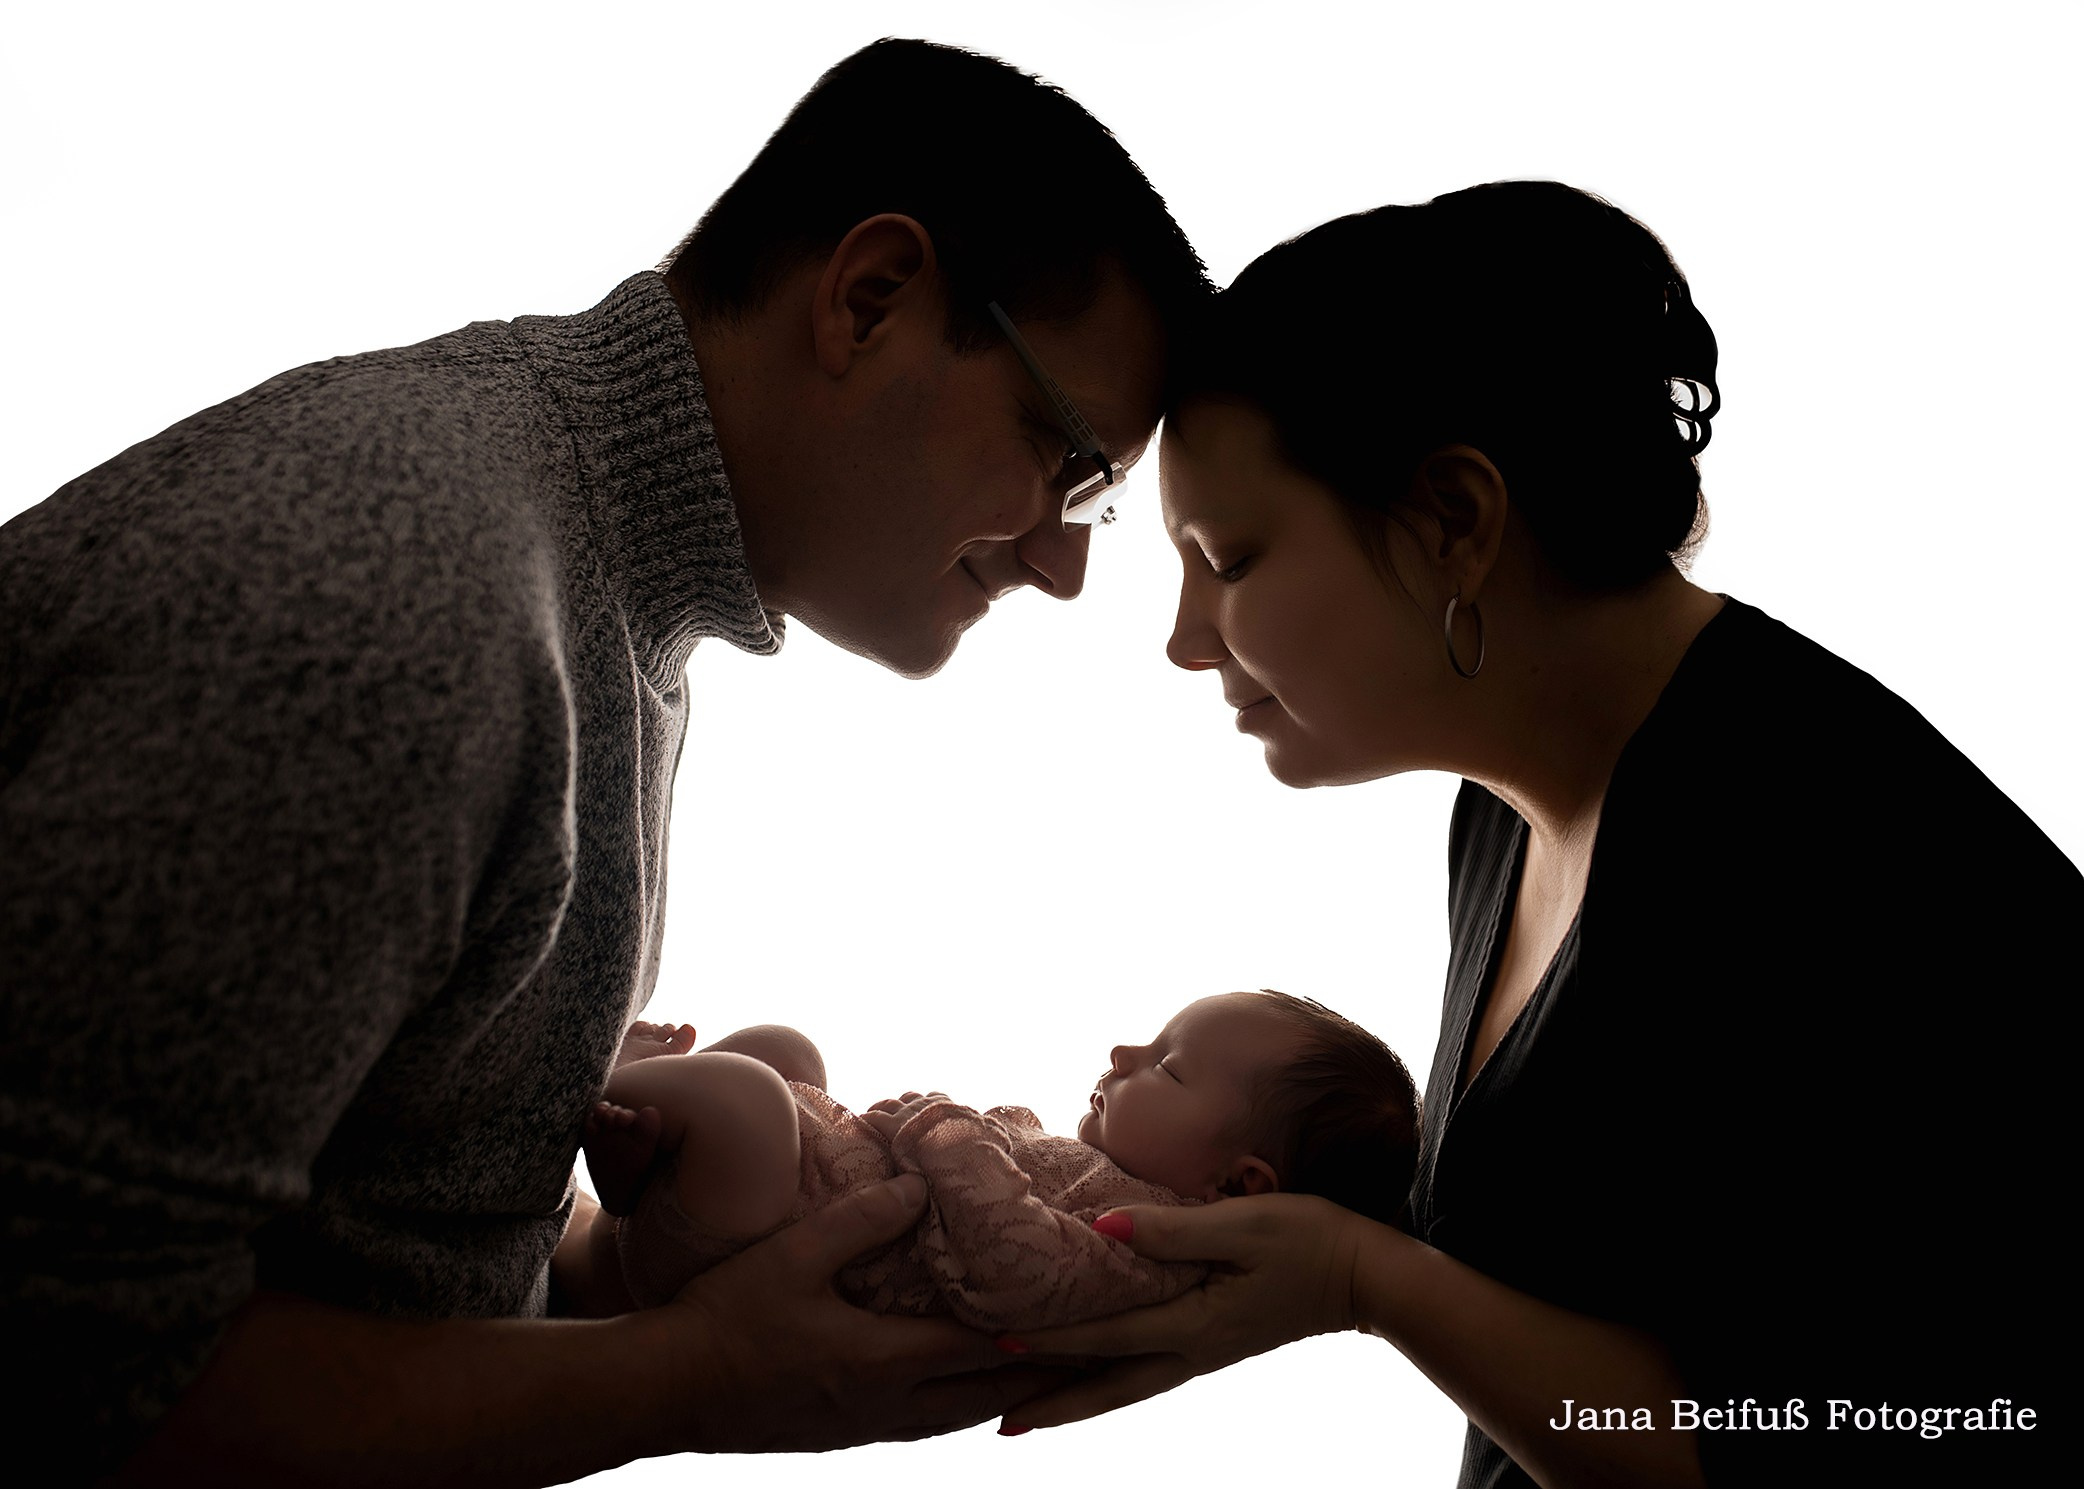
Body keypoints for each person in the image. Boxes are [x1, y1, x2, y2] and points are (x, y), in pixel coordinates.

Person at [0, 38, 1209, 1484]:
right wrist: (708, 1374)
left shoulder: (601, 600)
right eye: (1067, 460)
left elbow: (370, 1245)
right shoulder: (398, 602)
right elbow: (59, 1365)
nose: (1069, 565)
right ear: (871, 298)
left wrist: (681, 1247)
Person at [998, 182, 2071, 1485]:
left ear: (1455, 520)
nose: (1183, 640)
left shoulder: (1825, 852)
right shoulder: (1500, 815)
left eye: (1227, 559)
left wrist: (1365, 1281)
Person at [578, 992, 1418, 1329]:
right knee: (784, 1050)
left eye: (1166, 1063)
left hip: (760, 1250)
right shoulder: (1113, 1188)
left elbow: (1013, 1268)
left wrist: (946, 1128)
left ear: (1235, 1184)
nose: (1123, 1052)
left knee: (751, 1095)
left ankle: (612, 1081)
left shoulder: (1153, 1254)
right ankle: (637, 1153)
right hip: (771, 1194)